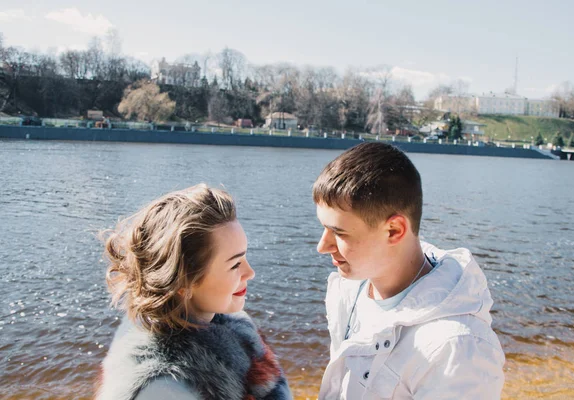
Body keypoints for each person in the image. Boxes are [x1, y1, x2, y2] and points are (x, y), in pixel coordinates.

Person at [313, 142, 505, 399]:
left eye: (338, 232)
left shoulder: (456, 348)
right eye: (324, 228)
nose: (322, 246)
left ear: (394, 230)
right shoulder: (353, 287)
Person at [96, 184, 292, 400]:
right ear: (184, 282)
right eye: (235, 264)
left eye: (244, 257)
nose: (250, 273)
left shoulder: (235, 326)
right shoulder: (162, 387)